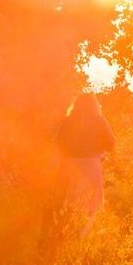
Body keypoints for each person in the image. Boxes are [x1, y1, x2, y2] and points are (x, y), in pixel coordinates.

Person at [54, 91, 116, 231]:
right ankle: (84, 237)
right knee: (92, 204)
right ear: (95, 106)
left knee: (69, 201)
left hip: (69, 165)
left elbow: (59, 141)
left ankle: (65, 233)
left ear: (76, 105)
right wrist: (98, 148)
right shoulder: (99, 120)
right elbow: (111, 142)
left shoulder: (68, 120)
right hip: (91, 164)